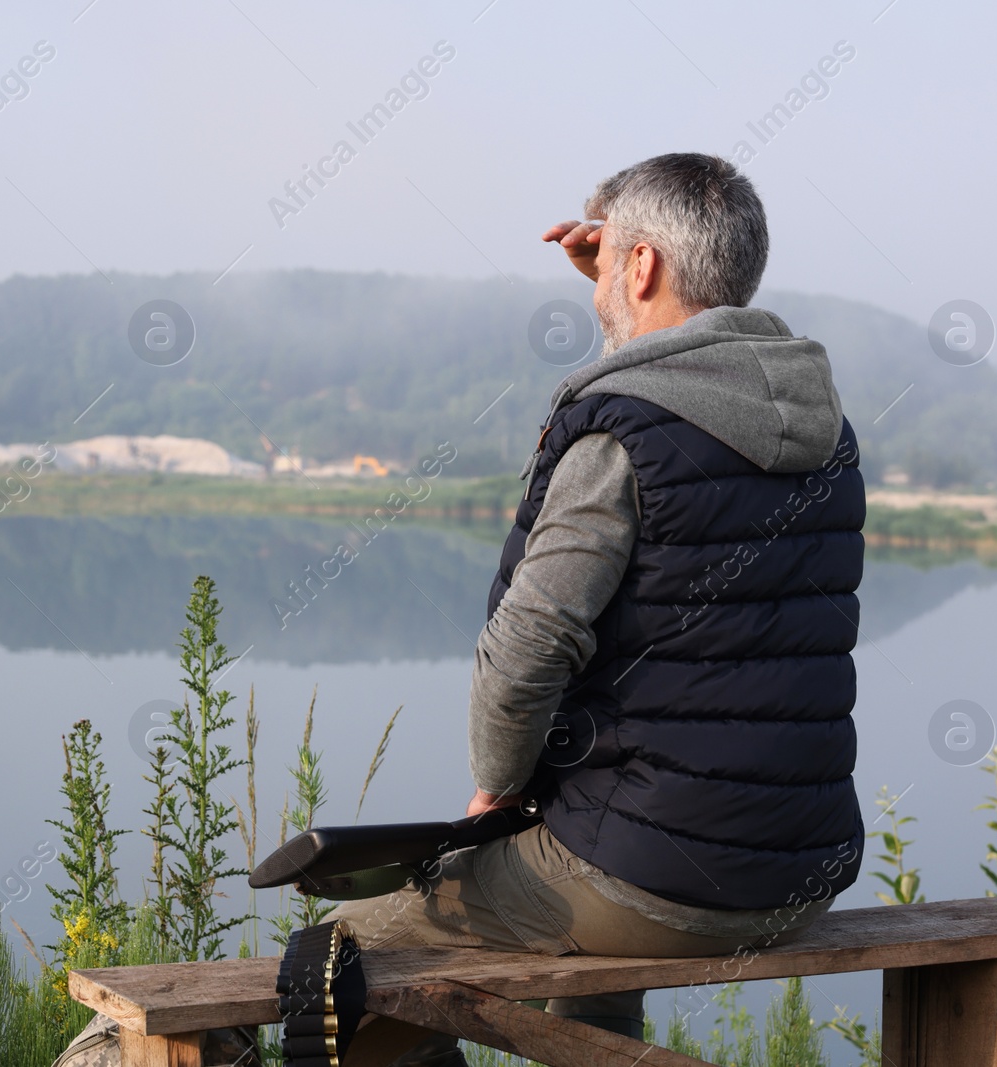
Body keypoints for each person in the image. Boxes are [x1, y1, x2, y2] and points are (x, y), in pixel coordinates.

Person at [326, 151, 866, 1062]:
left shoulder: (622, 431)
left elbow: (530, 646)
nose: (593, 285)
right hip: (800, 871)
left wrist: (495, 789)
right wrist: (622, 285)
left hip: (660, 884)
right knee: (589, 850)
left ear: (646, 265)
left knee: (344, 939)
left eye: (610, 259)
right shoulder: (825, 430)